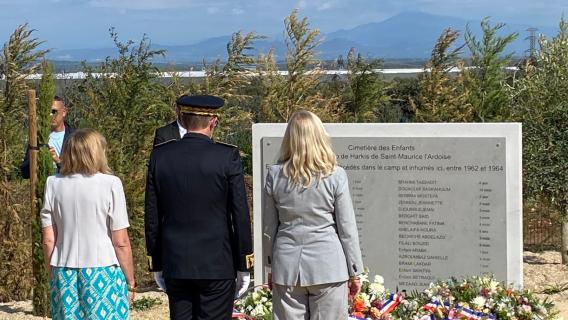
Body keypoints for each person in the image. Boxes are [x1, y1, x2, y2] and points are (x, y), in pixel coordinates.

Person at [145, 94, 253, 320]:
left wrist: (156, 260)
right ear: (214, 121)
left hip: (176, 261)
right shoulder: (226, 156)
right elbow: (240, 213)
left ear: (182, 119)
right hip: (217, 262)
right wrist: (244, 262)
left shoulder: (160, 156)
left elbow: (152, 214)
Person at [263, 110, 364, 320]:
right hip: (328, 266)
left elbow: (269, 228)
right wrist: (355, 270)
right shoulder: (335, 175)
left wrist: (270, 265)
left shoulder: (274, 175)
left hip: (287, 265)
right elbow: (347, 228)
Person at [40, 129, 136, 320]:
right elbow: (121, 241)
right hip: (103, 269)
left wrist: (51, 274)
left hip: (63, 270)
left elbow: (49, 240)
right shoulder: (111, 184)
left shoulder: (53, 184)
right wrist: (130, 280)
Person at [21, 96, 75, 179]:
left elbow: (80, 170)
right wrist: (36, 157)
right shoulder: (37, 138)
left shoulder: (75, 137)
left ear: (64, 112)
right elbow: (25, 173)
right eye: (46, 112)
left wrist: (59, 161)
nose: (50, 115)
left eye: (54, 111)